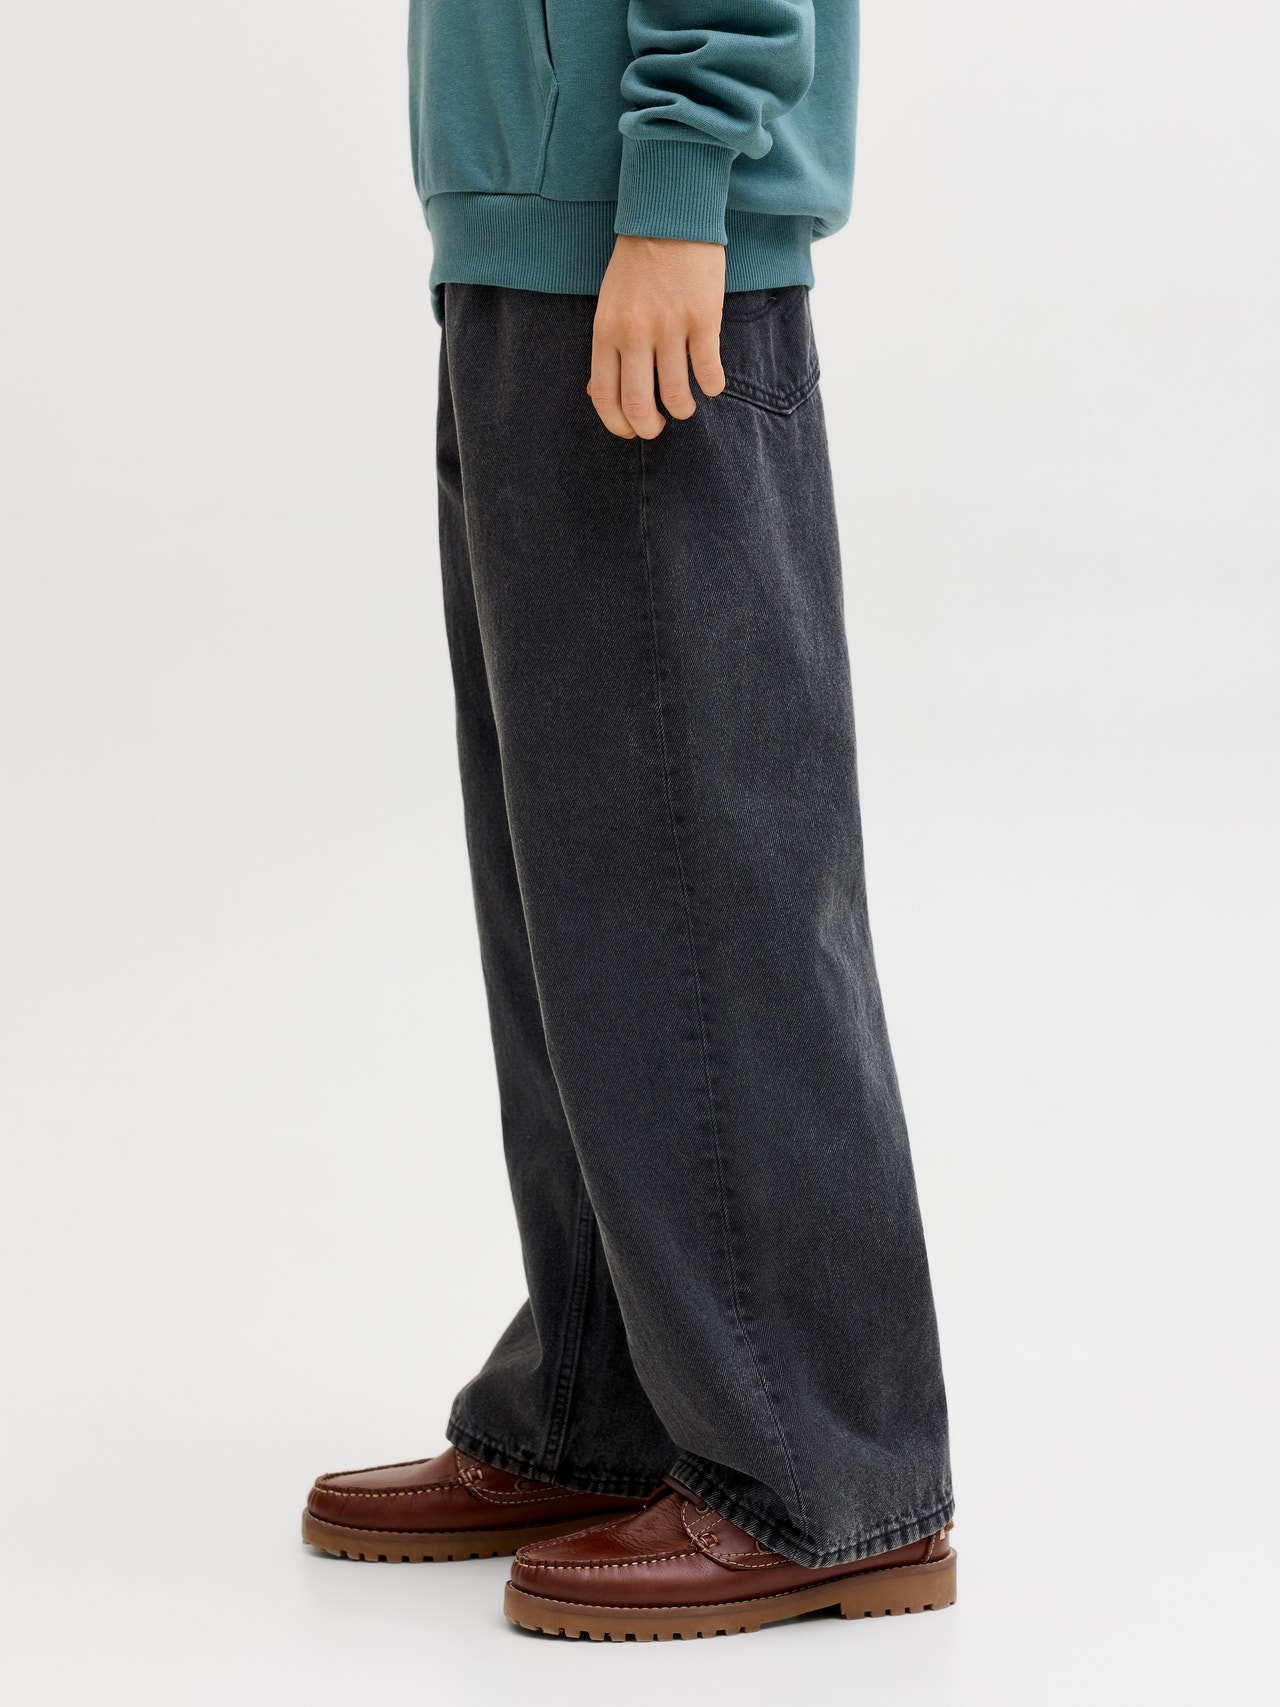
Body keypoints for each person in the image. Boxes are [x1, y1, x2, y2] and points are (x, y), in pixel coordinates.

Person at [302, 0, 955, 1641]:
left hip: (649, 235)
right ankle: (603, 1402)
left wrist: (679, 189)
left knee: (711, 893)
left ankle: (821, 1470)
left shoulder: (666, 210)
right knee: (578, 895)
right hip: (537, 238)